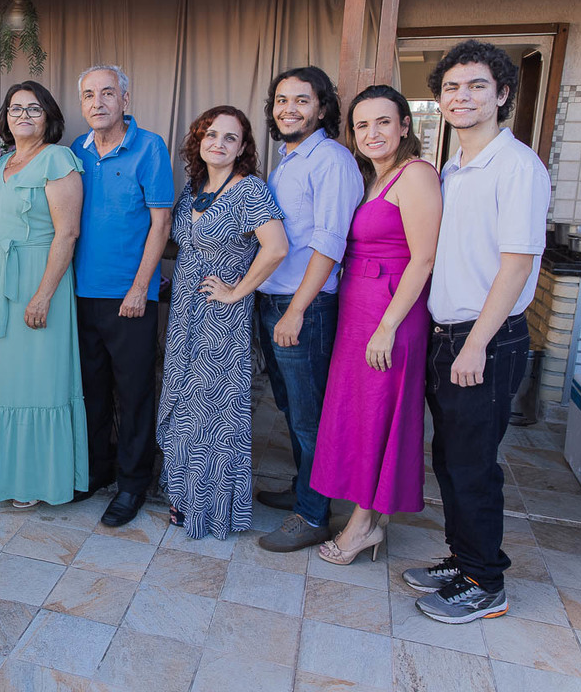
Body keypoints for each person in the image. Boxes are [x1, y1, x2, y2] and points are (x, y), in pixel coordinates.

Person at [404, 40, 550, 624]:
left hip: (483, 339)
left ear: (503, 95)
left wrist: (475, 344)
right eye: (452, 88)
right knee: (452, 458)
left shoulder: (516, 166)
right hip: (451, 335)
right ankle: (464, 559)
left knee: (472, 466)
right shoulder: (457, 165)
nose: (462, 97)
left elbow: (516, 266)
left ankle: (486, 584)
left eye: (477, 87)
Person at [310, 85, 442, 565]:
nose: (372, 133)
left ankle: (363, 525)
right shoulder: (373, 177)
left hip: (390, 313)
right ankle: (371, 516)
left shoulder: (416, 175)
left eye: (383, 122)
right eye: (362, 125)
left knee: (378, 417)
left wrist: (387, 326)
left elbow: (423, 257)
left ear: (405, 125)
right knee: (359, 414)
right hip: (358, 309)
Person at [158, 106, 288, 540]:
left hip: (220, 319)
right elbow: (182, 243)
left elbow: (276, 247)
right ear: (199, 140)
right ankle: (184, 497)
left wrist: (237, 291)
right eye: (211, 134)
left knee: (211, 415)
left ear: (243, 148)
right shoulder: (194, 188)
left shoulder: (250, 190)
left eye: (230, 138)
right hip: (183, 315)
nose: (219, 143)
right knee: (182, 406)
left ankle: (211, 510)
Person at [255, 66, 363, 553]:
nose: (289, 108)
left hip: (306, 305)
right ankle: (306, 490)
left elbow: (329, 242)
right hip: (273, 297)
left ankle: (314, 515)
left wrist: (297, 310)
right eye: (281, 99)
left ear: (322, 108)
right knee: (290, 406)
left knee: (309, 415)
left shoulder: (332, 159)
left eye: (302, 100)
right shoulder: (288, 159)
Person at [70, 65, 174, 527]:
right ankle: (97, 470)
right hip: (80, 292)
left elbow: (162, 223)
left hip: (130, 297)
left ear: (124, 100)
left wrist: (139, 287)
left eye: (107, 93)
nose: (98, 102)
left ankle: (132, 485)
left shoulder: (149, 147)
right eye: (89, 95)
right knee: (91, 390)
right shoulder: (77, 150)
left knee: (133, 395)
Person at [0, 81, 88, 507]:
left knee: (39, 384)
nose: (23, 115)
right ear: (5, 117)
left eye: (33, 108)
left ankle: (39, 480)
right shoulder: (1, 161)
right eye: (15, 108)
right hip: (3, 284)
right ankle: (8, 475)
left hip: (41, 285)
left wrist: (42, 295)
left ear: (49, 117)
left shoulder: (58, 159)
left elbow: (68, 232)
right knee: (5, 385)